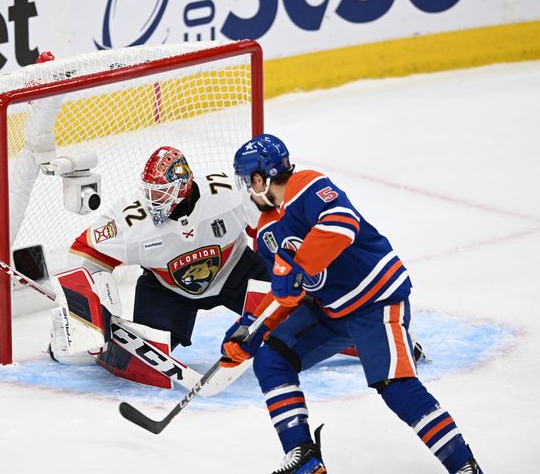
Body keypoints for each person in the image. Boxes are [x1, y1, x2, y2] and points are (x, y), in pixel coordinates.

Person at [221, 134, 483, 474]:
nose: (246, 189)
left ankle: (464, 466)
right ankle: (304, 458)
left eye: (246, 181)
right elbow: (287, 292)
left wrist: (298, 265)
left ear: (260, 178)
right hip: (332, 310)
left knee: (396, 385)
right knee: (271, 359)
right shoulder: (267, 231)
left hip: (376, 298)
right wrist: (252, 327)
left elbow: (341, 223)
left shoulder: (306, 185)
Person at [48, 145, 270, 386]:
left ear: (183, 187)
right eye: (150, 192)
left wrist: (288, 268)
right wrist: (87, 309)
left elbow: (272, 225)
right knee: (140, 364)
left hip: (235, 271)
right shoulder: (130, 220)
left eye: (162, 193)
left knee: (295, 327)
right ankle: (66, 331)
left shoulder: (228, 196)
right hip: (167, 290)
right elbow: (84, 250)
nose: (153, 200)